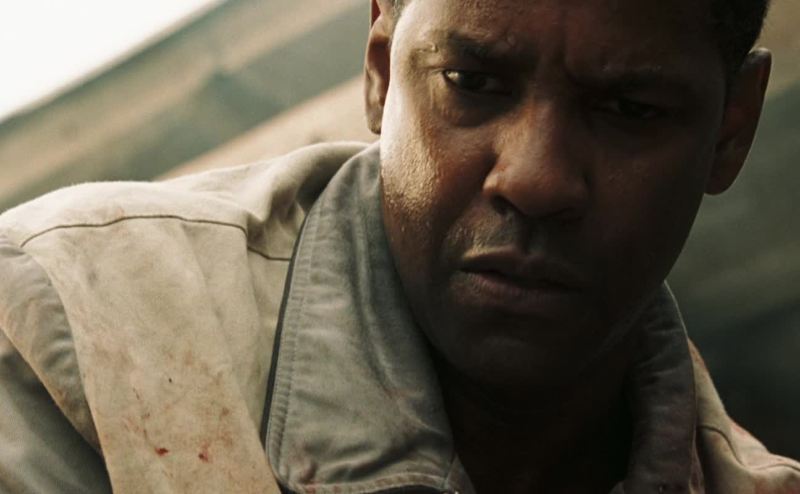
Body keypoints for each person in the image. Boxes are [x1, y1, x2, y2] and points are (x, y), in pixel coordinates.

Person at [0, 0, 797, 492]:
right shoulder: (74, 320)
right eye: (472, 82)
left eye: (630, 109)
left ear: (733, 128)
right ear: (381, 68)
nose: (536, 178)